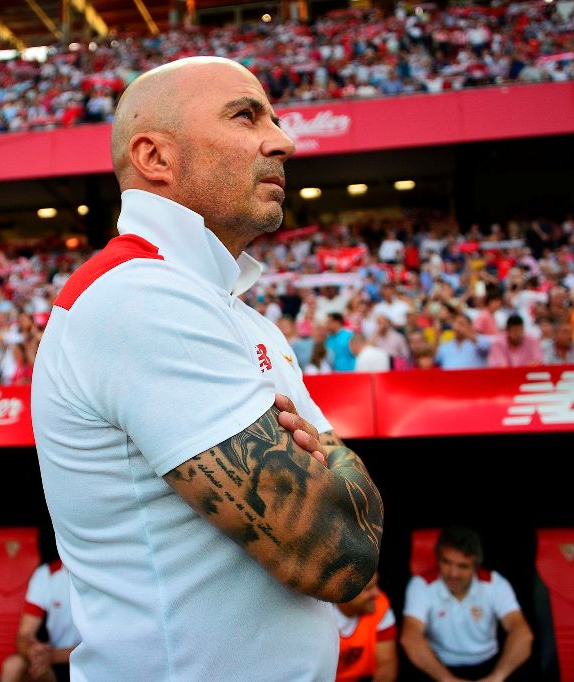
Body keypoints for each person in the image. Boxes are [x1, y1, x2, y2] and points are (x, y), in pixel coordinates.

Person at [32, 56, 383, 680]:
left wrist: (326, 474)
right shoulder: (138, 297)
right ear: (156, 159)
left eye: (272, 117)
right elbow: (341, 557)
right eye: (246, 116)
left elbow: (356, 544)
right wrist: (324, 461)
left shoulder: (240, 317)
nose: (283, 139)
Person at [401, 527, 533, 682]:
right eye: (446, 562)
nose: (453, 573)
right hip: (439, 666)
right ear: (438, 559)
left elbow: (522, 633)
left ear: (476, 567)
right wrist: (447, 680)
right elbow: (410, 636)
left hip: (489, 664)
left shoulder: (494, 583)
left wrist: (497, 677)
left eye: (463, 566)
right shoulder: (422, 585)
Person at [0, 544, 79, 682]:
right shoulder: (46, 575)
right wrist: (33, 651)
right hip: (53, 659)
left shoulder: (103, 578)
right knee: (13, 666)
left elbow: (103, 645)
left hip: (88, 661)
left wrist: (53, 656)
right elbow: (24, 636)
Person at [334, 572, 398, 682]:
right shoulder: (316, 615)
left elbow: (387, 663)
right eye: (368, 589)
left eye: (376, 584)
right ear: (342, 592)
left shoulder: (380, 606)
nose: (377, 594)